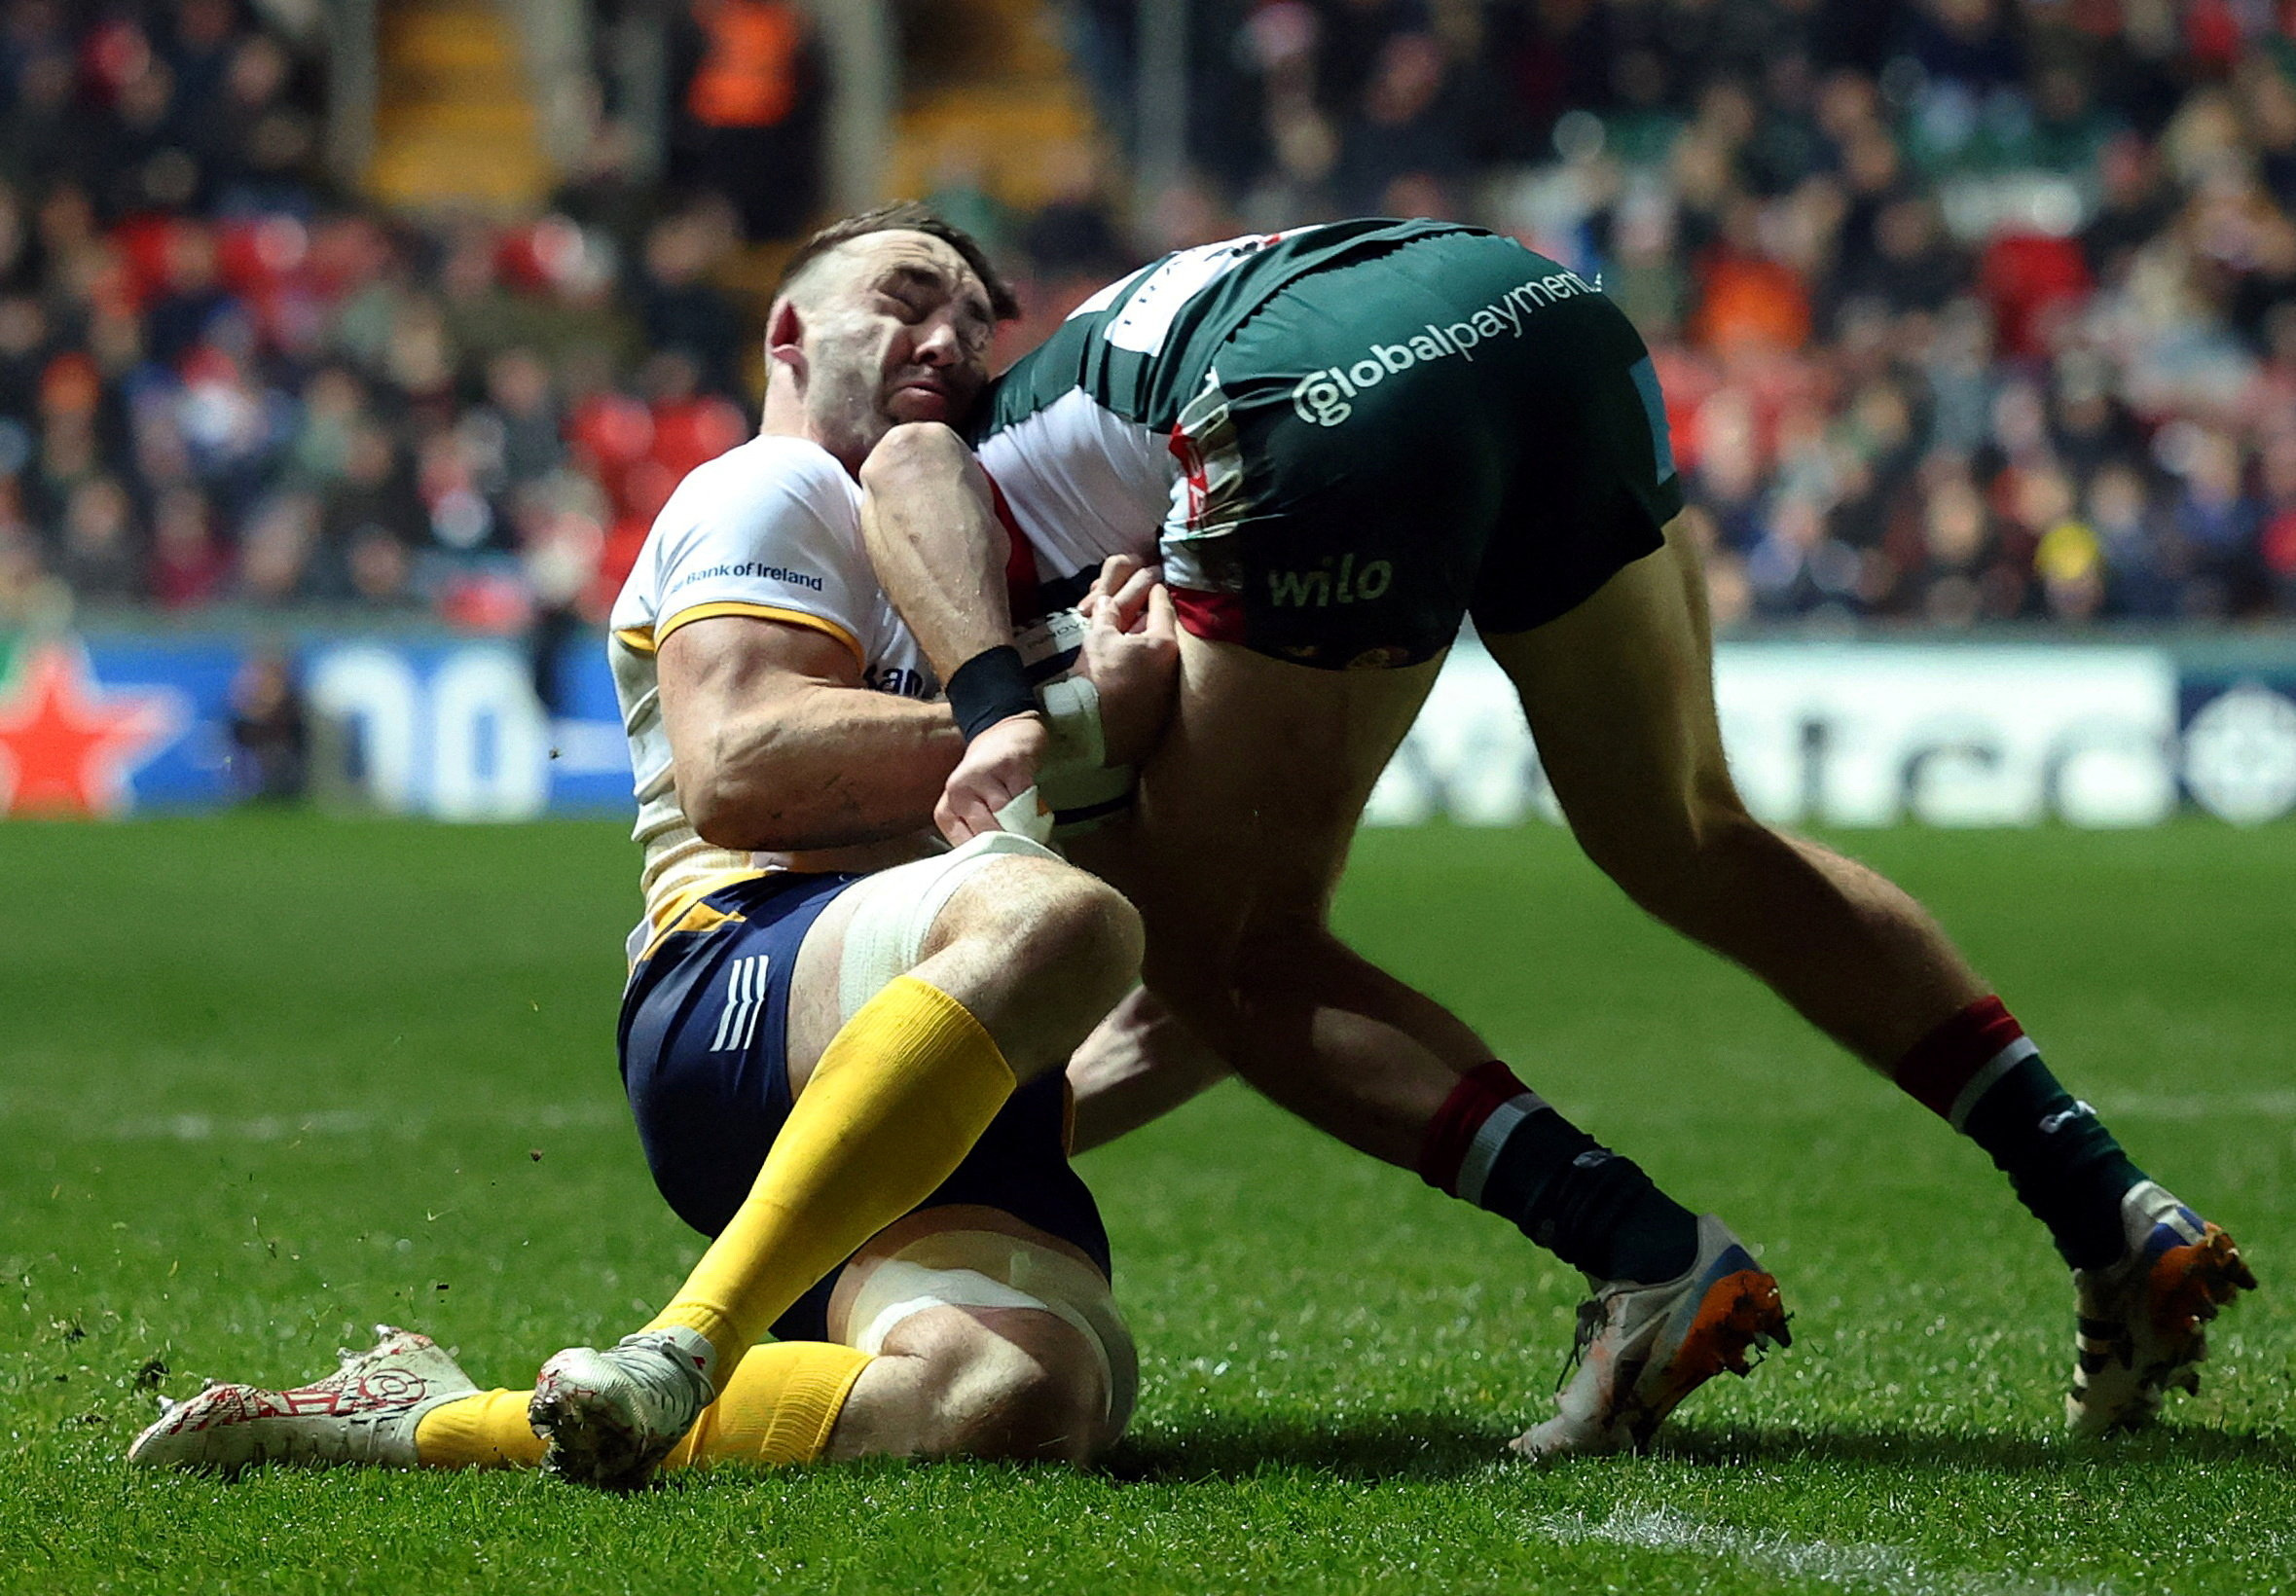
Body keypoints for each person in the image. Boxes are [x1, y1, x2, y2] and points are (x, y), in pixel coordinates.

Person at [855, 218, 2255, 1457]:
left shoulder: (915, 455)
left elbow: (912, 465)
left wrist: (994, 710)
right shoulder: (1086, 374)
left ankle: (1644, 1256)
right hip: (1532, 311)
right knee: (1689, 832)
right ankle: (2106, 1204)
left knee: (1240, 962)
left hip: (1323, 397)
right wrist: (969, 1149)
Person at [129, 205, 1173, 1489]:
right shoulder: (777, 485)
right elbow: (736, 767)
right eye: (909, 294)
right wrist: (1072, 719)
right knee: (1067, 924)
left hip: (925, 1045)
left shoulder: (983, 565)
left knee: (1022, 1403)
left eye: (976, 318)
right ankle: (693, 1335)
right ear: (790, 329)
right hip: (740, 979)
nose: (950, 334)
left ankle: (421, 1421)